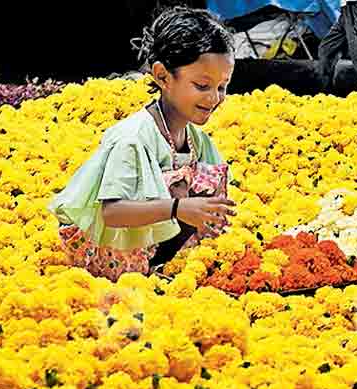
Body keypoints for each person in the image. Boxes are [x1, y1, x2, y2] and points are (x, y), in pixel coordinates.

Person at [49, 7, 237, 281]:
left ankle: (161, 267)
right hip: (108, 259)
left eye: (222, 87)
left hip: (152, 251)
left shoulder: (197, 140)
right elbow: (112, 212)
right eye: (202, 86)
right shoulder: (133, 138)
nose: (214, 98)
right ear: (162, 76)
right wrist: (178, 208)